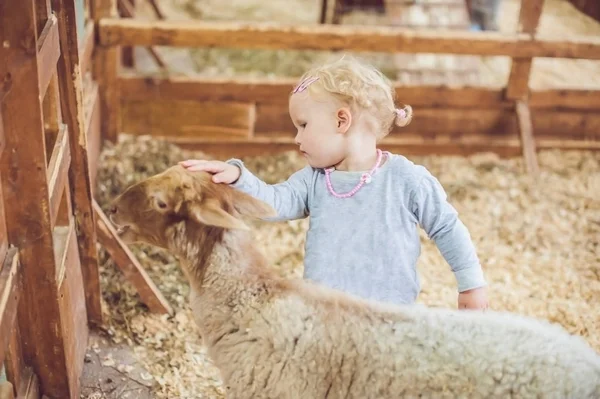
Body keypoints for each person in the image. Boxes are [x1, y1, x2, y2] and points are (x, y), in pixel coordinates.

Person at [180, 55, 489, 310]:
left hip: (389, 319)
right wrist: (237, 178)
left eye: (303, 125)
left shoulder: (407, 180)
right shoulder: (314, 181)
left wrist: (471, 285)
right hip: (324, 317)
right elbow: (274, 203)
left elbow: (447, 228)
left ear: (342, 121)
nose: (297, 138)